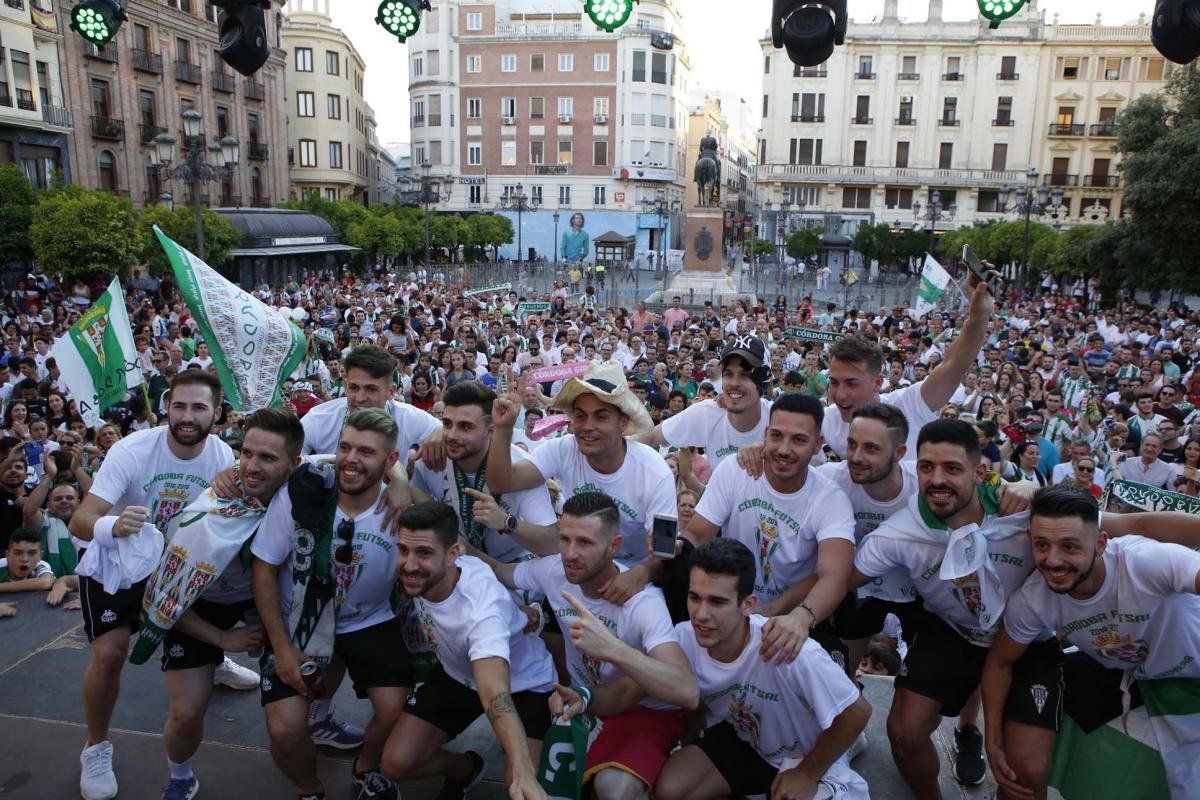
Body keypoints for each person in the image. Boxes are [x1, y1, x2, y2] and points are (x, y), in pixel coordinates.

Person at [848, 419, 1064, 800]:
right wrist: (791, 612)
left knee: (1026, 770)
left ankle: (970, 732)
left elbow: (1101, 529)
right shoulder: (900, 532)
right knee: (904, 734)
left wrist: (1033, 490)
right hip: (954, 631)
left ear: (980, 472)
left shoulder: (1021, 512)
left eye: (952, 468)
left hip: (1025, 639)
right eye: (927, 467)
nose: (937, 479)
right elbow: (840, 578)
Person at [69, 371, 241, 800]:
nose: (187, 416)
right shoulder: (131, 450)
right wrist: (114, 524)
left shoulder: (223, 457)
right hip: (119, 561)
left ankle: (212, 662)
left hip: (177, 565)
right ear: (167, 407)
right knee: (110, 654)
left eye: (199, 407)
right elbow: (79, 520)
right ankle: (95, 746)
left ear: (217, 413)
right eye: (179, 406)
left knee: (205, 610)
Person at [983, 488, 1200, 800]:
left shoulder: (1146, 562)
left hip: (1191, 673)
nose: (1053, 561)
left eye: (1069, 546)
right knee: (1024, 761)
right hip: (1138, 675)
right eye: (1042, 545)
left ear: (1100, 543)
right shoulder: (1033, 599)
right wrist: (993, 742)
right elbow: (1000, 662)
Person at [484, 492, 699, 800]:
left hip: (646, 711)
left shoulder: (642, 603)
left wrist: (612, 648)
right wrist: (457, 548)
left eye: (584, 543)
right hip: (587, 702)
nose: (570, 553)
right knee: (524, 784)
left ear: (614, 546)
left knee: (613, 789)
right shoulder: (554, 572)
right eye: (565, 539)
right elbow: (499, 573)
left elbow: (687, 692)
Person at [138, 409, 305, 800]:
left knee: (297, 706)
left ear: (293, 464)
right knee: (185, 713)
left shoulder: (306, 492)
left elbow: (349, 463)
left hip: (268, 604)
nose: (251, 466)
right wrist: (220, 639)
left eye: (267, 458)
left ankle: (321, 726)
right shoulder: (209, 506)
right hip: (202, 608)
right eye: (246, 454)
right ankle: (180, 777)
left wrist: (398, 478)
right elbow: (164, 597)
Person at [252, 408, 415, 800]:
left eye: (366, 451)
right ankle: (310, 789)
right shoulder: (303, 492)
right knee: (286, 731)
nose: (351, 459)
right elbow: (264, 569)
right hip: (302, 619)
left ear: (391, 461)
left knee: (397, 713)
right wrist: (281, 648)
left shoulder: (402, 509)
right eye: (344, 447)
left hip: (369, 621)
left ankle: (366, 766)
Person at [653, 538, 872, 800]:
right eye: (694, 598)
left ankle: (844, 752)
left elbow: (858, 712)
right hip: (749, 742)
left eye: (717, 602)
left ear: (747, 604)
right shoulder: (684, 638)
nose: (701, 614)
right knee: (670, 789)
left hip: (807, 752)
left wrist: (806, 773)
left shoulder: (787, 648)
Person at [381, 502, 552, 800]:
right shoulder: (435, 572)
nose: (408, 564)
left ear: (452, 555)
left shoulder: (482, 613)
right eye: (403, 550)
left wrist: (523, 771)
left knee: (520, 790)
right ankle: (465, 767)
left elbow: (495, 692)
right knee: (396, 764)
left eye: (423, 553)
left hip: (523, 684)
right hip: (457, 675)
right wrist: (398, 478)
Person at [683, 393, 855, 665]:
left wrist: (798, 617)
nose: (784, 448)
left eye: (798, 440)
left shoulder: (830, 498)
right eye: (776, 436)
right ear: (765, 435)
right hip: (728, 611)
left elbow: (834, 576)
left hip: (790, 617)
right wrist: (673, 549)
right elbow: (696, 535)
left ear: (817, 445)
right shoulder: (735, 470)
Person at [486, 360, 676, 580]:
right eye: (580, 415)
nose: (587, 426)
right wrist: (504, 427)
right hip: (578, 568)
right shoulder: (563, 449)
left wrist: (641, 574)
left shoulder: (655, 473)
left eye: (601, 416)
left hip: (633, 579)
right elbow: (502, 482)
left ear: (622, 423)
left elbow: (665, 549)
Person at [822, 274, 994, 460]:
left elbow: (954, 365)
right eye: (833, 382)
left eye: (851, 383)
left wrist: (979, 315)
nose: (839, 395)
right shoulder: (822, 421)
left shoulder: (909, 406)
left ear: (878, 382)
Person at [411, 381, 558, 565]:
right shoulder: (431, 458)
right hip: (454, 564)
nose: (452, 435)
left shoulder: (521, 466)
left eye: (466, 427)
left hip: (510, 567)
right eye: (447, 424)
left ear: (491, 431)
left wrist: (507, 523)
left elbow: (553, 544)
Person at [634, 335, 774, 469]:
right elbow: (653, 436)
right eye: (728, 374)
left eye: (745, 375)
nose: (734, 383)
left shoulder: (777, 418)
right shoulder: (707, 412)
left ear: (763, 379)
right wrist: (616, 444)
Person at [298, 345, 441, 464]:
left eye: (371, 389)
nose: (360, 398)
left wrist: (440, 433)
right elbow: (291, 459)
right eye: (354, 388)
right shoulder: (319, 418)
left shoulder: (410, 418)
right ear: (345, 386)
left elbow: (448, 432)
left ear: (391, 391)